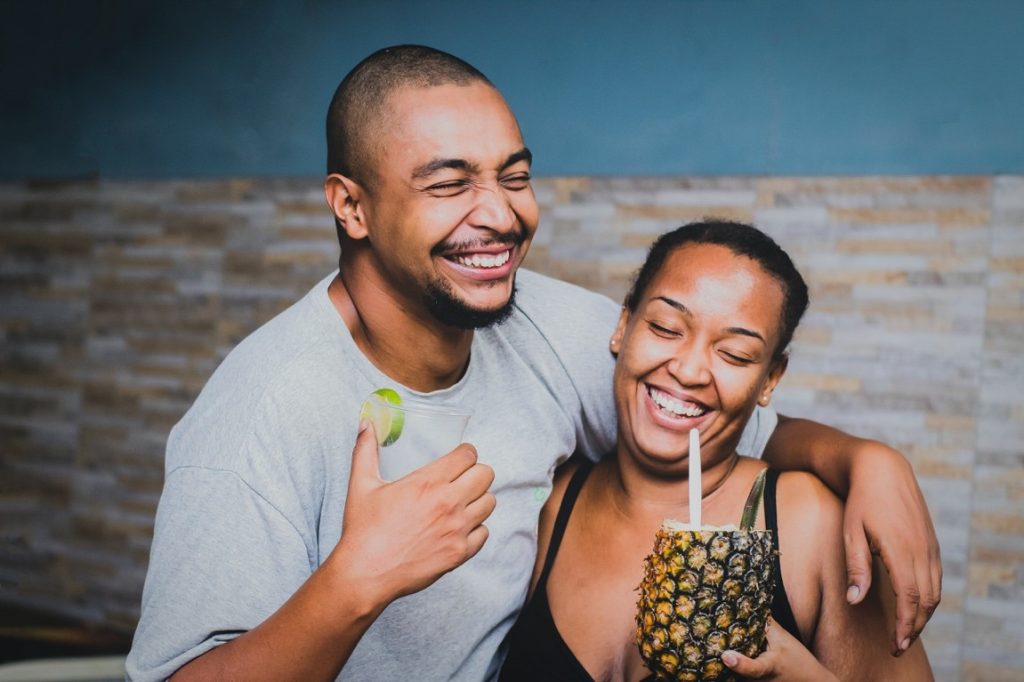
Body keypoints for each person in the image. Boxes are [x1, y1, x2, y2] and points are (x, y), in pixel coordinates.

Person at [126, 45, 939, 681]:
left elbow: (713, 409)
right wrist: (355, 582)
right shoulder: (263, 407)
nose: (501, 214)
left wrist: (871, 463)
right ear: (352, 205)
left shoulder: (539, 319)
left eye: (514, 175)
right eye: (450, 184)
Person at [499, 220, 932, 681]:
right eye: (666, 327)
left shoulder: (810, 523)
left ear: (770, 379)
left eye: (735, 355)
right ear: (623, 327)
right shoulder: (551, 503)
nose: (688, 370)